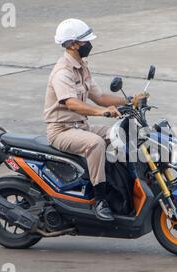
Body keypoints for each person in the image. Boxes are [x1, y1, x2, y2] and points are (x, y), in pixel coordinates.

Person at [44, 18, 137, 221]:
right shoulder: (62, 72)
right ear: (73, 44)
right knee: (95, 144)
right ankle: (100, 200)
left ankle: (123, 183)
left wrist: (130, 101)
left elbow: (100, 97)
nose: (90, 45)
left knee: (122, 131)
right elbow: (72, 104)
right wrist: (102, 113)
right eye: (86, 41)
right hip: (61, 131)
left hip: (80, 126)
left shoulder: (82, 67)